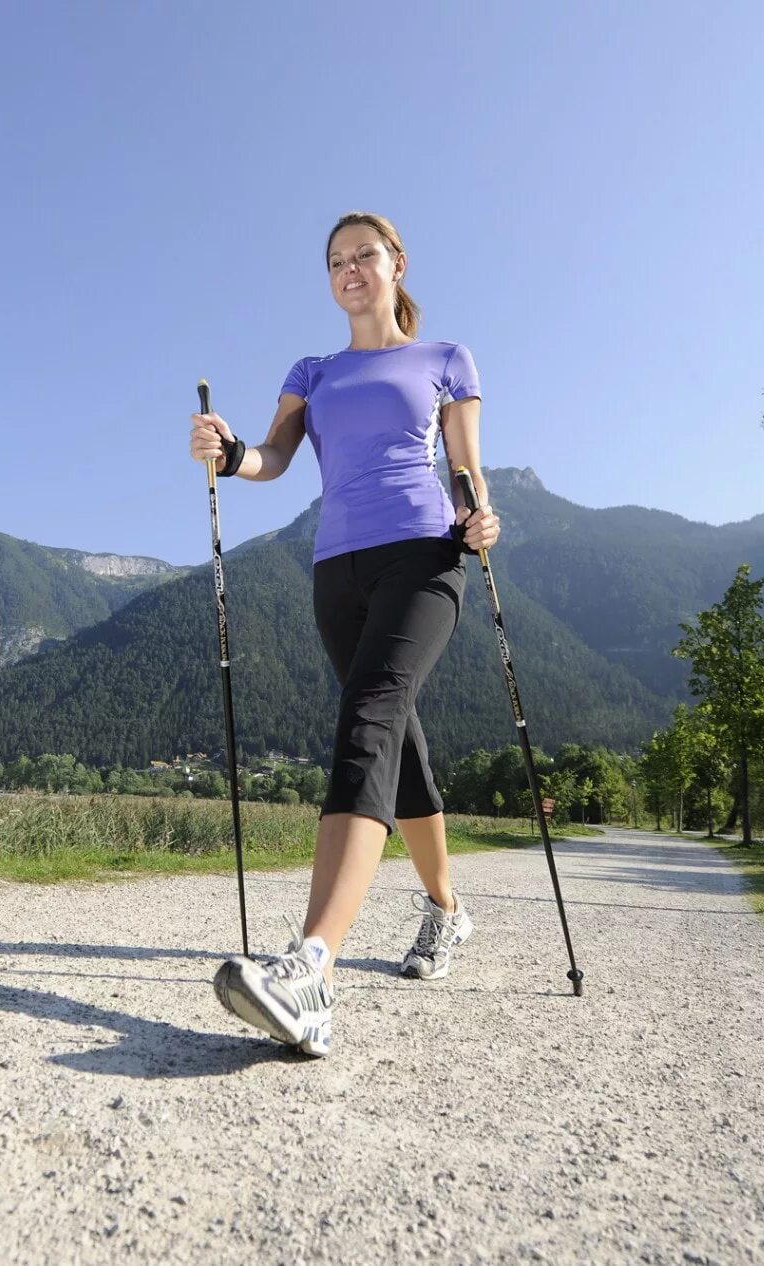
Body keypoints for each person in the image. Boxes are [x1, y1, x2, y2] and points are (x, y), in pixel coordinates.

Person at [188, 210, 501, 1057]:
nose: (350, 269)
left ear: (396, 263)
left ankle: (312, 967)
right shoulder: (314, 370)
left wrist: (478, 517)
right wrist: (228, 452)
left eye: (364, 254)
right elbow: (275, 458)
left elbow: (467, 466)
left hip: (424, 556)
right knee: (396, 736)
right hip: (337, 567)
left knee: (367, 716)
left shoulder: (444, 359)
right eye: (335, 261)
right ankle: (445, 909)